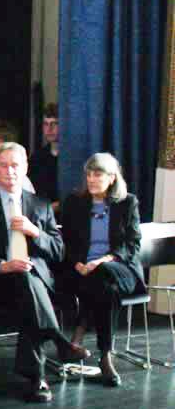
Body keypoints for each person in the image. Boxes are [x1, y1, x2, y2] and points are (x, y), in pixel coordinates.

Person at [0, 143, 89, 403]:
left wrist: (35, 232)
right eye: (3, 165)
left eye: (15, 166)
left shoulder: (40, 204)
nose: (10, 171)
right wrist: (3, 265)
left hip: (35, 279)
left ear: (25, 168)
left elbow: (59, 251)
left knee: (28, 283)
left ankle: (40, 367)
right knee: (28, 290)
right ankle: (43, 367)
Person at [60, 153, 144, 387]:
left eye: (97, 174)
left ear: (112, 177)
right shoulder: (74, 203)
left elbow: (132, 244)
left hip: (120, 267)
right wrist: (78, 262)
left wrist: (104, 260)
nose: (91, 179)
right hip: (82, 270)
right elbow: (66, 241)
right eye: (88, 174)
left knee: (102, 275)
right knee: (106, 290)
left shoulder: (127, 202)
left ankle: (77, 336)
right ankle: (106, 354)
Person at [29, 103, 60, 207]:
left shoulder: (71, 158)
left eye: (54, 123)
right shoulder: (37, 158)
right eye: (46, 124)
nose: (49, 129)